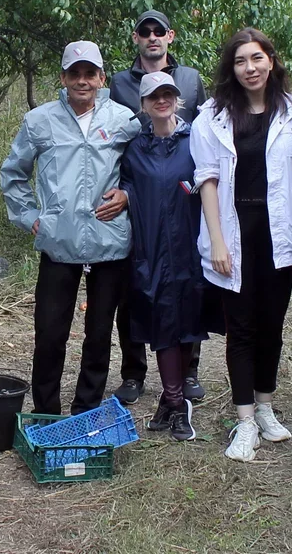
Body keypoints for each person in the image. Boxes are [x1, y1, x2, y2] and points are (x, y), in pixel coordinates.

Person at [191, 28, 292, 462]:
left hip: (279, 233)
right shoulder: (212, 115)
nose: (250, 68)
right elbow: (207, 180)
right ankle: (245, 420)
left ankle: (266, 408)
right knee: (242, 329)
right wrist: (216, 241)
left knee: (272, 325)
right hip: (234, 231)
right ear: (231, 68)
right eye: (240, 61)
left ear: (272, 61)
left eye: (257, 58)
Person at [1, 41, 140, 415]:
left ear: (101, 78)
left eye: (89, 74)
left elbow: (142, 171)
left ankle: (86, 410)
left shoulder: (123, 120)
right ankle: (46, 412)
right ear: (62, 78)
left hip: (108, 239)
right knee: (50, 333)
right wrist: (29, 216)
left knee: (98, 334)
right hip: (58, 241)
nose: (82, 81)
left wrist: (127, 196)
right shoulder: (39, 121)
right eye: (74, 73)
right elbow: (13, 173)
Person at [108, 9, 210, 406]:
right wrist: (124, 192)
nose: (152, 37)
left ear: (170, 36)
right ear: (136, 37)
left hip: (183, 193)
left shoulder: (190, 78)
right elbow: (114, 145)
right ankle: (133, 372)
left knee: (189, 282)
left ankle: (189, 371)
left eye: (159, 31)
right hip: (141, 191)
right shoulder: (118, 82)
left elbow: (205, 137)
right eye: (144, 31)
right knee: (135, 286)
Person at [118, 72, 205, 441]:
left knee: (186, 322)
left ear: (178, 98)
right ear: (143, 104)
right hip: (150, 247)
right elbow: (125, 186)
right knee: (163, 321)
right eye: (154, 96)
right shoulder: (135, 148)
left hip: (192, 244)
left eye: (168, 94)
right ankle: (175, 400)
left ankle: (173, 402)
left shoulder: (196, 140)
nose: (162, 100)